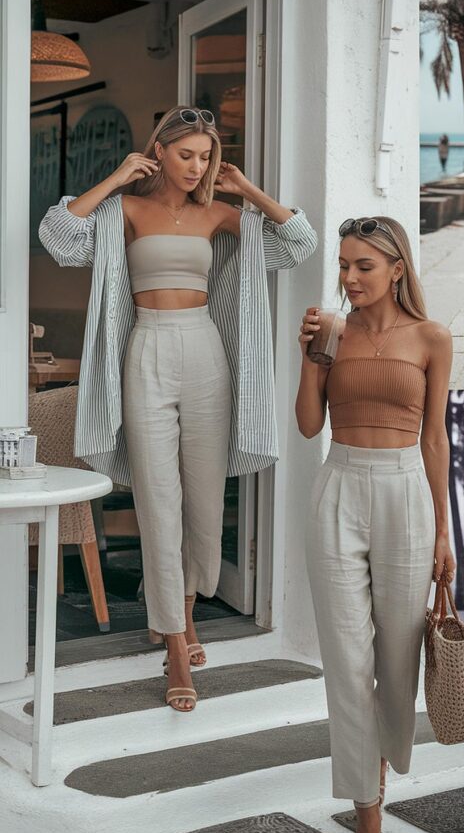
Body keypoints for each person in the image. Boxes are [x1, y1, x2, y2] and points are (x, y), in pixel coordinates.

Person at [39, 106, 317, 712]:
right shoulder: (127, 211)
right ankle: (172, 647)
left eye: (205, 157)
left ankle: (185, 619)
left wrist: (246, 189)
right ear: (159, 151)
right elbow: (58, 236)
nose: (196, 167)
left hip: (204, 350)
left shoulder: (219, 214)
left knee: (201, 499)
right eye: (185, 154)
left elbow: (298, 243)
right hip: (146, 348)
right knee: (157, 499)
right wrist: (115, 177)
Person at [295, 216, 455, 833]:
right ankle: (366, 812)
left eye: (363, 265)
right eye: (342, 264)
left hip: (405, 495)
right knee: (345, 660)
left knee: (396, 656)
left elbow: (435, 439)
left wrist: (445, 532)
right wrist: (311, 357)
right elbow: (308, 425)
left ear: (396, 267)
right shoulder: (331, 334)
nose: (349, 278)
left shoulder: (431, 338)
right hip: (339, 486)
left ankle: (380, 769)